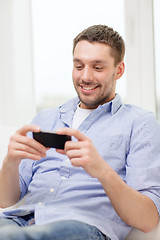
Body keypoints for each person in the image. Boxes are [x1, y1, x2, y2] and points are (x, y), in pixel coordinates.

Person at [0, 24, 160, 240]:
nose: (85, 77)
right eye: (79, 66)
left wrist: (101, 170)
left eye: (97, 67)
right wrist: (11, 160)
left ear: (118, 70)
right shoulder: (46, 118)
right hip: (19, 220)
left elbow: (148, 220)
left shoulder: (140, 123)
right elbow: (6, 200)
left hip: (81, 227)